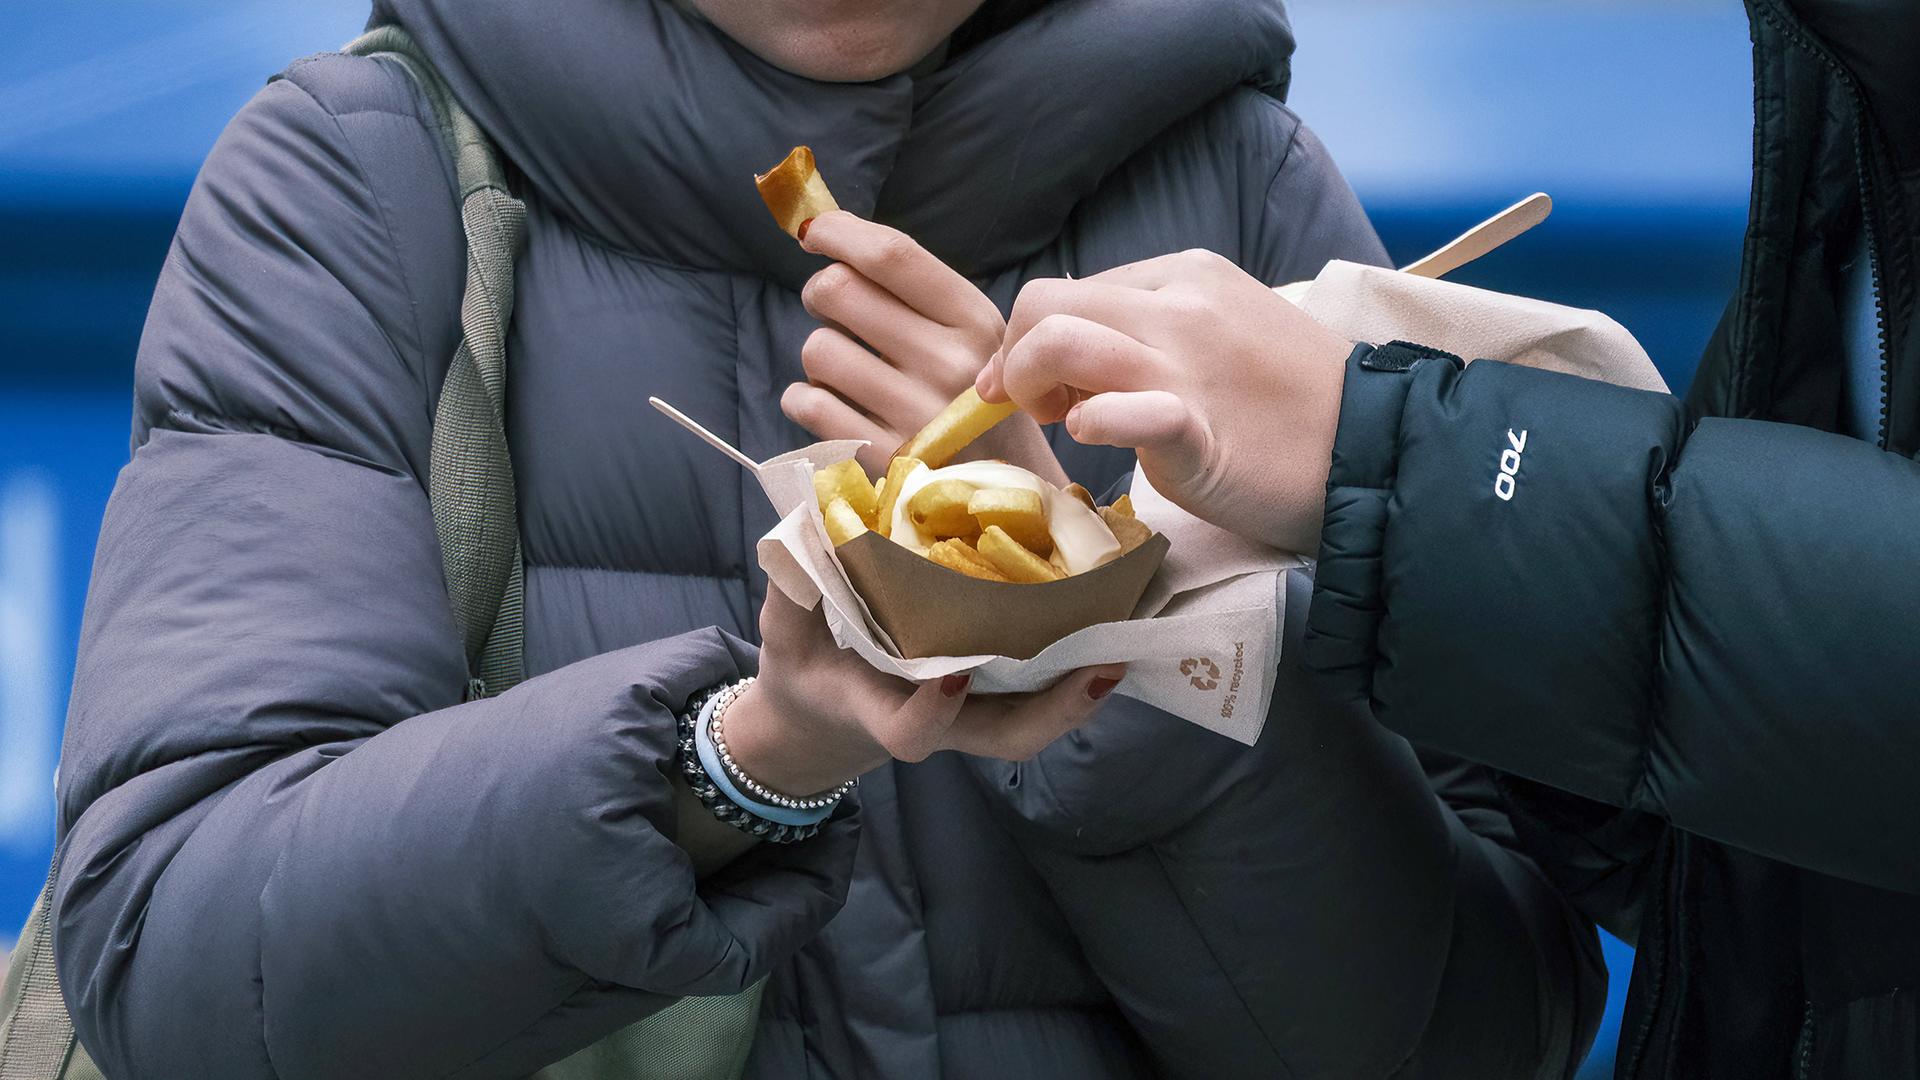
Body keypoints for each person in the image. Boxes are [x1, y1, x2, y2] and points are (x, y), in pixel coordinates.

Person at [51, 0, 1601, 1076]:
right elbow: (181, 970)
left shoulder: (1242, 196)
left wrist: (1111, 623)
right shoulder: (362, 180)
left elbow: (1487, 1029)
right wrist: (744, 757)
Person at [978, 0, 1920, 1076]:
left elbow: (1503, 1016)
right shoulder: (1851, 79)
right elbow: (1730, 872)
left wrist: (1384, 466)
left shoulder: (1248, 176)